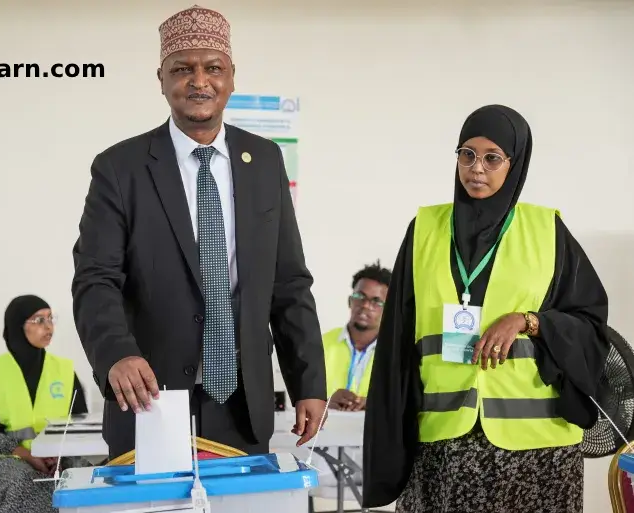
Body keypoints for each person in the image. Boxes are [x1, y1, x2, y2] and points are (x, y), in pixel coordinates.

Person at [71, 4, 327, 460]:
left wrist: (308, 382)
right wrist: (116, 354)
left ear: (231, 76)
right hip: (149, 401)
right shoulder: (119, 168)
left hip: (243, 406)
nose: (199, 81)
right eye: (182, 69)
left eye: (213, 68)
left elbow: (288, 281)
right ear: (162, 79)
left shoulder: (265, 161)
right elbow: (96, 278)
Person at [362, 105, 609, 513]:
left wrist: (528, 321)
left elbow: (591, 324)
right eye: (467, 154)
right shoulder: (424, 228)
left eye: (492, 158)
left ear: (515, 163)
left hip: (537, 451)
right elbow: (397, 339)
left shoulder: (546, 230)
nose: (477, 168)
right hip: (445, 444)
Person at [0, 295, 89, 513]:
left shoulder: (64, 370)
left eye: (50, 319)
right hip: (2, 458)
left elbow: (78, 426)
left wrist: (57, 455)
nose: (49, 327)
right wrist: (27, 454)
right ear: (18, 325)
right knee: (25, 484)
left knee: (87, 479)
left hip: (57, 459)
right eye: (39, 320)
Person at [324, 261, 391, 411]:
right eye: (360, 296)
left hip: (373, 432)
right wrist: (325, 403)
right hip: (325, 431)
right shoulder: (320, 344)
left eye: (376, 302)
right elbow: (297, 401)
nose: (366, 305)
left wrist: (374, 405)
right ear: (350, 301)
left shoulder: (397, 352)